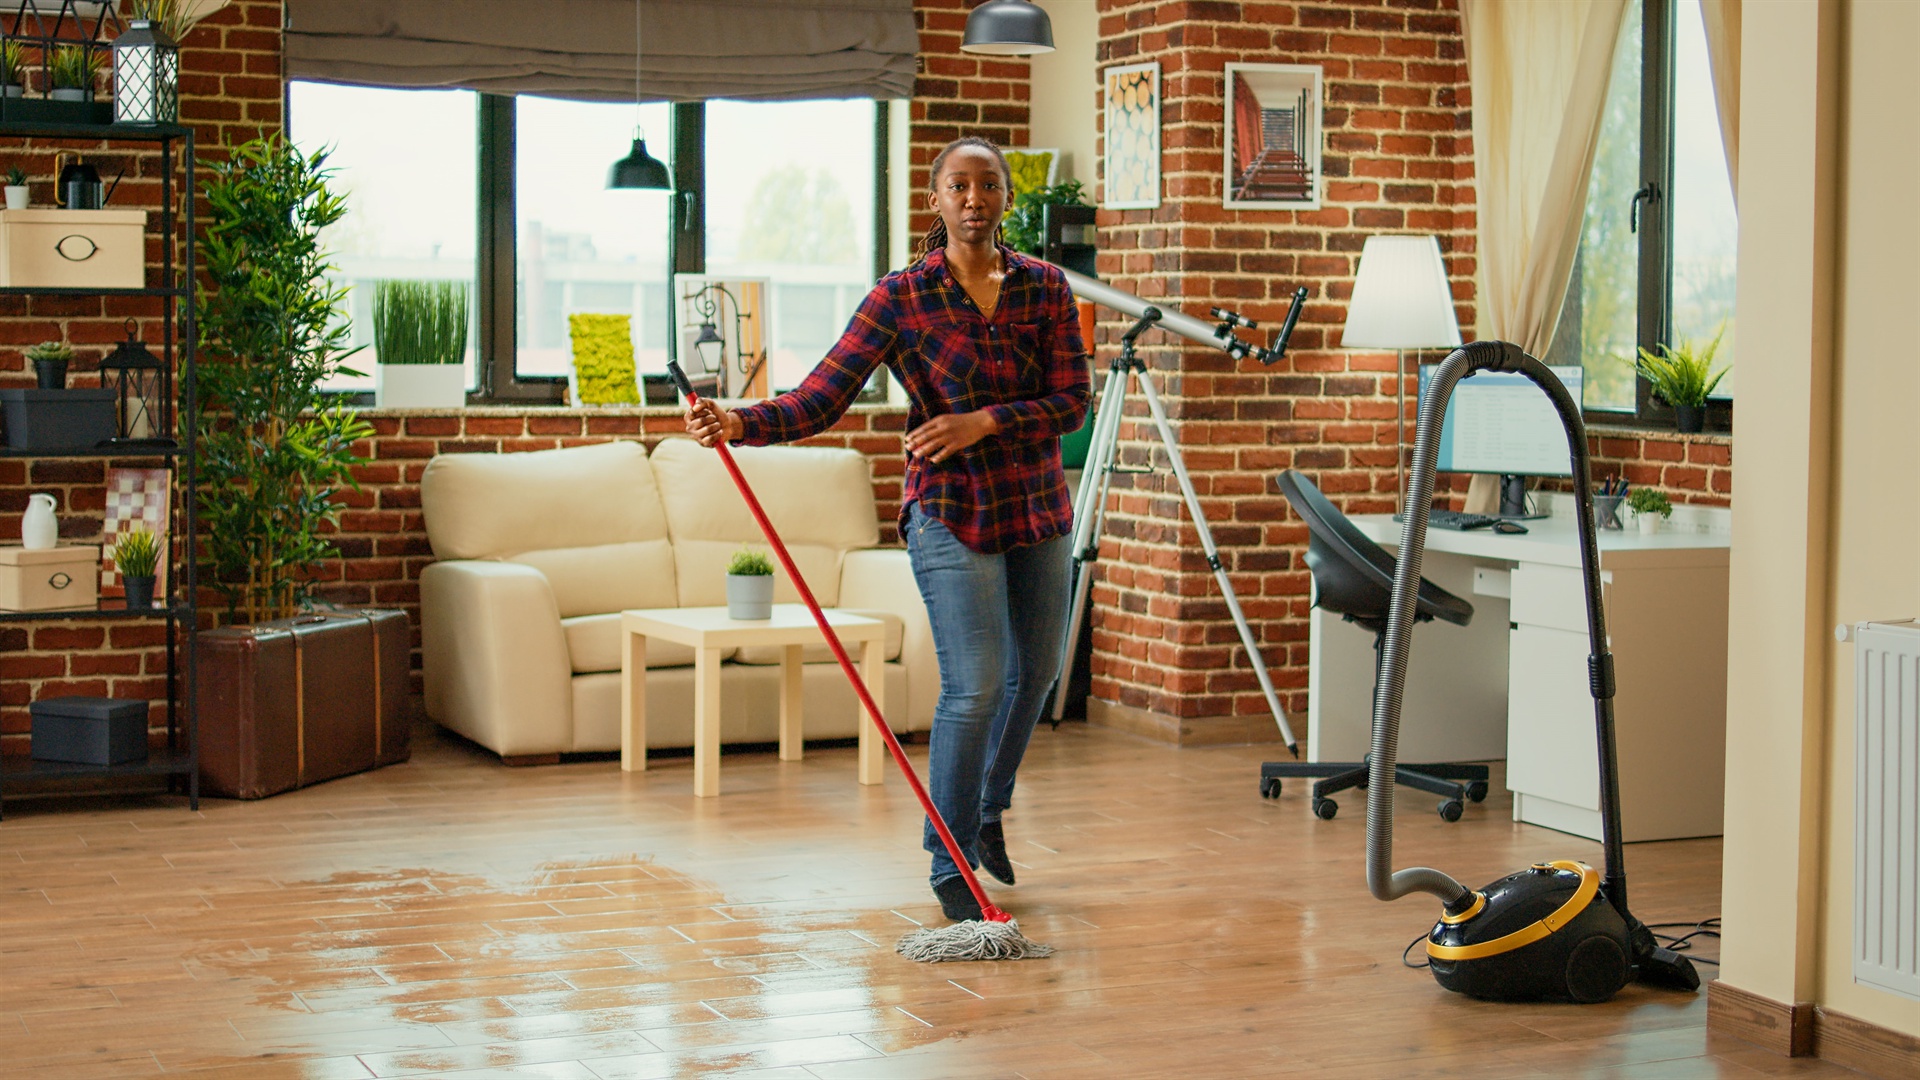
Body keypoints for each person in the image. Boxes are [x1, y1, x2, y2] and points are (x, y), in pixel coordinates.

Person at [686, 136, 1091, 921]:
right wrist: (739, 421)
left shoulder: (1046, 289)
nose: (974, 198)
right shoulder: (900, 296)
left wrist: (983, 422)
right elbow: (821, 397)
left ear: (1006, 199)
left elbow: (1075, 400)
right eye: (957, 187)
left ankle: (984, 808)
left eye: (988, 186)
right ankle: (950, 862)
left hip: (1037, 506)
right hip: (948, 509)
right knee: (974, 684)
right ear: (935, 201)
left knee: (1034, 675)